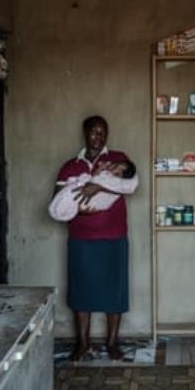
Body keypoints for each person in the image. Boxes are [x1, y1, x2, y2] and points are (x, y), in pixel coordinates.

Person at [54, 115, 137, 361]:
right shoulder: (70, 166)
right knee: (82, 293)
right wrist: (78, 208)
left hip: (114, 237)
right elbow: (56, 200)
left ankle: (112, 344)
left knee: (115, 291)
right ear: (85, 133)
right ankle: (83, 344)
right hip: (81, 239)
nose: (98, 137)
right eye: (94, 132)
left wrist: (97, 187)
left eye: (103, 133)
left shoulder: (118, 159)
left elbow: (131, 182)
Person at [49, 160, 137, 221]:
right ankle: (62, 210)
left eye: (117, 173)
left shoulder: (118, 160)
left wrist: (99, 187)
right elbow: (93, 179)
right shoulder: (71, 164)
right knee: (72, 193)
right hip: (79, 236)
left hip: (114, 234)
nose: (112, 170)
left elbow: (129, 187)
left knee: (75, 192)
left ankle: (63, 210)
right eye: (114, 166)